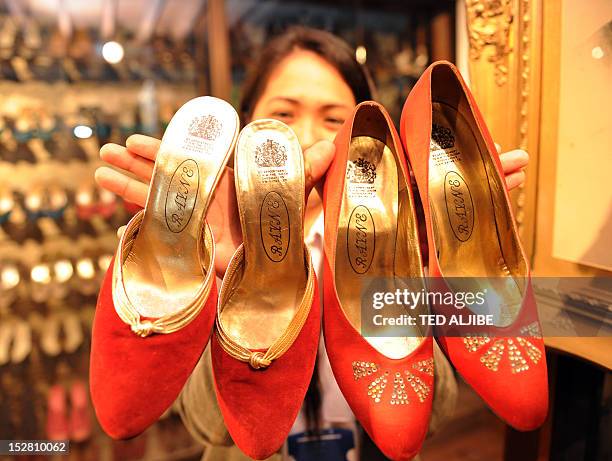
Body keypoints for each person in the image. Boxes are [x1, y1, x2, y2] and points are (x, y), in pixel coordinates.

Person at [95, 26, 530, 461]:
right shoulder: (219, 250)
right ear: (248, 124)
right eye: (283, 114)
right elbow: (211, 427)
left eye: (334, 119)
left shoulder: (400, 244)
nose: (305, 136)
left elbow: (433, 417)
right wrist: (225, 281)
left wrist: (410, 272)